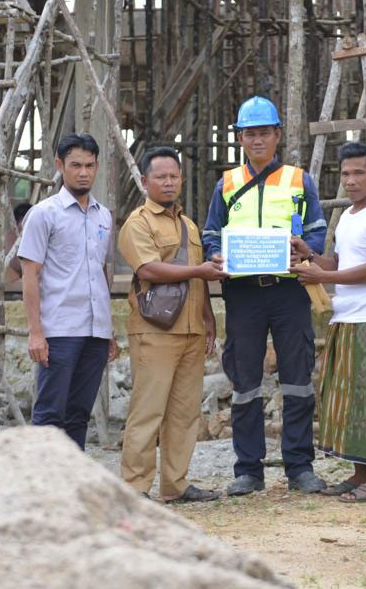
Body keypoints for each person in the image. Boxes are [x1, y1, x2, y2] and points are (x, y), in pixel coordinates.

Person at [201, 95, 328, 496]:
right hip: (242, 294)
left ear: (277, 135)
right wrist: (215, 254)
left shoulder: (299, 180)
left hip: (288, 290)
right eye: (249, 134)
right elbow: (209, 234)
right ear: (240, 138)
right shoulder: (227, 183)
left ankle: (299, 467)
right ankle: (248, 470)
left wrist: (305, 249)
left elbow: (318, 231)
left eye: (264, 133)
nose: (257, 140)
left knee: (297, 380)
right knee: (245, 382)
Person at [289, 142, 366, 503]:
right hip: (345, 317)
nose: (351, 181)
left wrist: (318, 280)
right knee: (345, 397)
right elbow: (337, 265)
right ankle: (358, 473)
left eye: (358, 173)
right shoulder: (350, 216)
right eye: (345, 174)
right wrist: (311, 257)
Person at [117, 147, 226, 503]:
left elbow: (197, 280)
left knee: (183, 413)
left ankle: (175, 485)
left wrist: (208, 318)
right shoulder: (138, 224)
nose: (168, 182)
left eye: (173, 176)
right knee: (148, 411)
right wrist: (199, 271)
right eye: (160, 177)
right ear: (145, 182)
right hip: (155, 331)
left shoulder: (188, 225)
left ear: (181, 179)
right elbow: (148, 270)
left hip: (192, 330)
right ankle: (135, 488)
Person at [18, 133, 117, 450]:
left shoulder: (104, 215)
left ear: (97, 166)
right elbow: (29, 274)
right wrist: (36, 332)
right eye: (76, 165)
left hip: (95, 332)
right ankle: (43, 488)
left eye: (90, 165)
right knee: (49, 415)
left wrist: (108, 329)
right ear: (60, 165)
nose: (83, 172)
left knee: (78, 414)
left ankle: (72, 486)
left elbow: (99, 271)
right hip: (60, 330)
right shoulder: (44, 214)